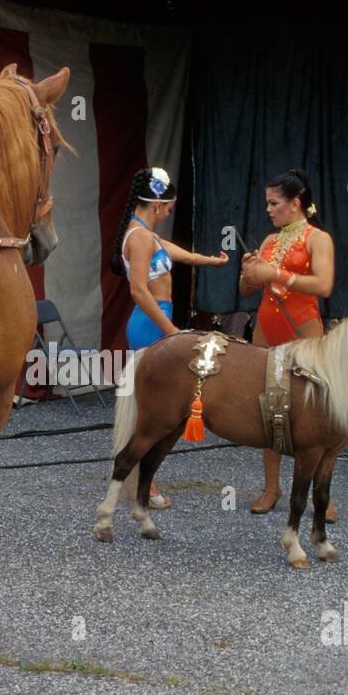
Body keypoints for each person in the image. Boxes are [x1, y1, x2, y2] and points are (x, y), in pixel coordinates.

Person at [113, 166, 229, 508]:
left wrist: (212, 261)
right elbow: (138, 290)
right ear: (157, 205)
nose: (168, 215)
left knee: (153, 405)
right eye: (168, 209)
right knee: (152, 409)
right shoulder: (138, 237)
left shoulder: (146, 234)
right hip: (151, 323)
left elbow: (180, 254)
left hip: (157, 320)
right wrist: (171, 331)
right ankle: (144, 483)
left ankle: (144, 479)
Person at [238, 168, 336, 516]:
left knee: (312, 410)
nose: (268, 209)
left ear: (295, 203)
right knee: (270, 406)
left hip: (303, 328)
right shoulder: (268, 242)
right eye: (267, 203)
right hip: (266, 328)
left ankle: (320, 492)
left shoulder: (317, 238)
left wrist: (276, 273)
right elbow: (246, 290)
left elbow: (324, 285)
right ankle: (271, 486)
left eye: (274, 203)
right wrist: (249, 274)